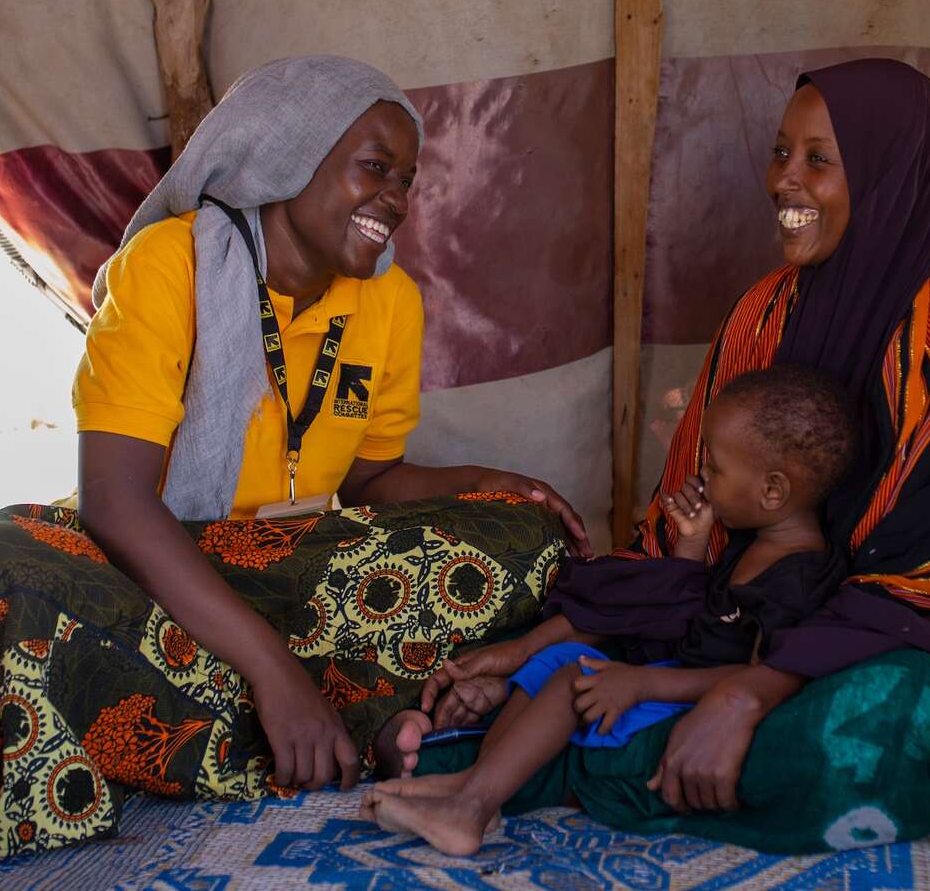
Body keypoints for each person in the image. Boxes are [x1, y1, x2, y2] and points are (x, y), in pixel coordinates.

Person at [0, 56, 586, 858]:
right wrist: (277, 672)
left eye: (407, 180)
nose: (395, 197)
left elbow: (370, 481)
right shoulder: (168, 265)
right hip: (152, 574)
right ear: (286, 157)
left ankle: (221, 719)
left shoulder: (389, 303)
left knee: (523, 538)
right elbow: (114, 504)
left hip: (289, 572)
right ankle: (347, 705)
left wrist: (486, 485)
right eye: (374, 169)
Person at [411, 58, 930, 855]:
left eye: (820, 159)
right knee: (571, 631)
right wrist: (552, 641)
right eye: (782, 153)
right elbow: (692, 538)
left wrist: (753, 690)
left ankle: (555, 763)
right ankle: (567, 751)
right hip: (738, 622)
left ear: (894, 179)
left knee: (872, 730)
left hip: (894, 648)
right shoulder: (762, 314)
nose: (785, 181)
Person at [361, 366, 855, 854]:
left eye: (717, 468)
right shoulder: (752, 544)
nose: (702, 474)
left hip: (688, 693)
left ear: (772, 491)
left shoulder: (801, 574)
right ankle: (478, 789)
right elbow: (693, 616)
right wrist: (692, 546)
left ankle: (468, 810)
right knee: (554, 661)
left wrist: (642, 682)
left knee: (577, 677)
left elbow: (761, 675)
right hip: (675, 671)